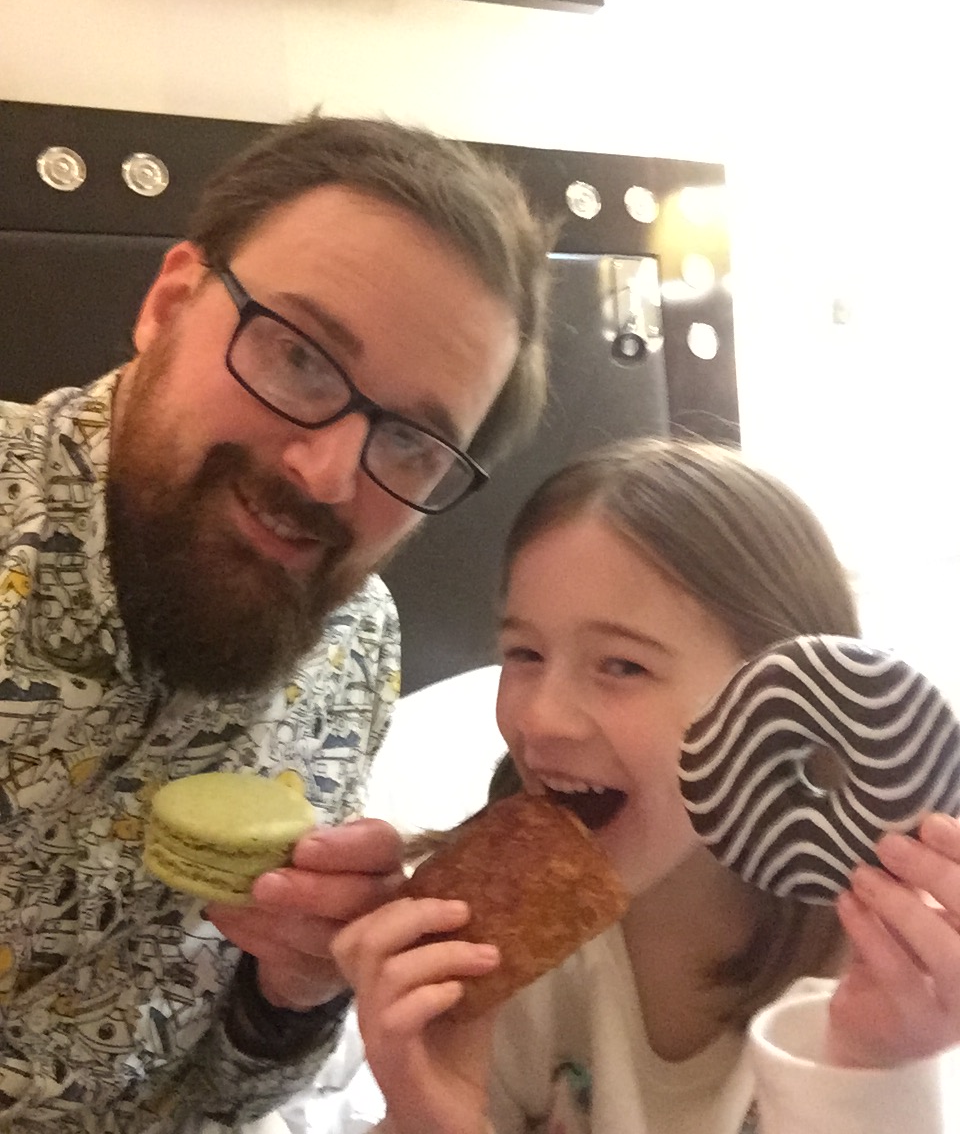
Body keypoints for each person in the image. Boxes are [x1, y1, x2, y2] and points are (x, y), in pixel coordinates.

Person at [0, 113, 554, 1132]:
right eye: (300, 355)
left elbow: (222, 1095)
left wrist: (289, 996)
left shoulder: (354, 647)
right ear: (169, 304)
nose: (327, 473)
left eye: (413, 440)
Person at [333, 438, 960, 1134]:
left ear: (787, 708)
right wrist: (427, 1120)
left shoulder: (900, 990)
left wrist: (868, 1070)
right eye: (525, 653)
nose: (538, 718)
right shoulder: (508, 955)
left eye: (623, 666)